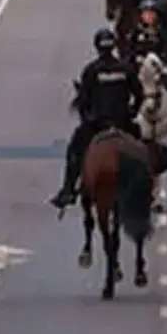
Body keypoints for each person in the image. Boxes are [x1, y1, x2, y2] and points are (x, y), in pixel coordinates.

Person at [50, 28, 143, 211]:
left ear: (97, 47)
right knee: (142, 150)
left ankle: (68, 189)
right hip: (122, 122)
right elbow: (139, 95)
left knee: (75, 150)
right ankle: (143, 189)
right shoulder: (126, 69)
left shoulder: (91, 70)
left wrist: (88, 117)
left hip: (97, 124)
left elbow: (84, 100)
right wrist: (131, 112)